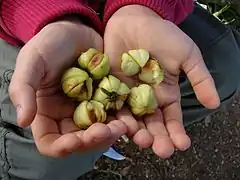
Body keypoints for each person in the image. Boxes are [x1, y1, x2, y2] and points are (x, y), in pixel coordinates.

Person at [0, 0, 239, 179]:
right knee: (46, 162)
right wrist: (44, 14)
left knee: (222, 65)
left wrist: (140, 7)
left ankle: (111, 135)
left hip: (138, 9)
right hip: (20, 22)